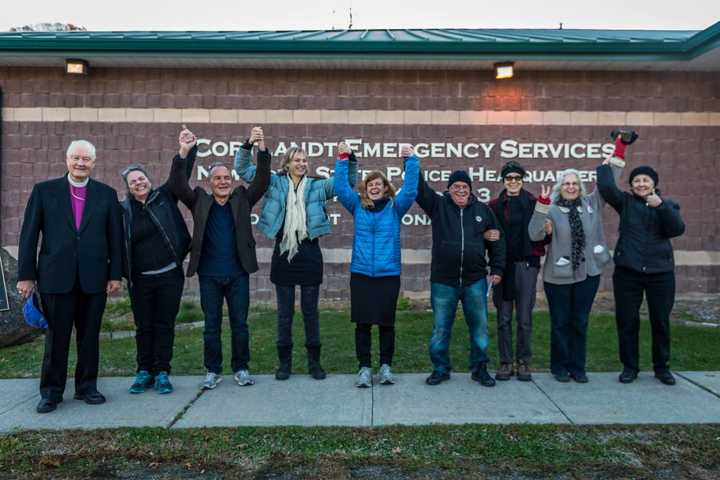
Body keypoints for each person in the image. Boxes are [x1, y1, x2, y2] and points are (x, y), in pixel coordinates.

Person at [235, 138, 357, 381]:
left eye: (305, 160)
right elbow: (244, 170)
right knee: (284, 313)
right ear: (287, 163)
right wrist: (248, 145)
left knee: (311, 312)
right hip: (283, 252)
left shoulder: (317, 186)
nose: (302, 164)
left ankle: (314, 364)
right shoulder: (273, 182)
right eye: (297, 160)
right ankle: (285, 365)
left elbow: (347, 183)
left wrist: (349, 159)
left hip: (310, 252)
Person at [17, 140, 123, 413]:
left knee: (89, 337)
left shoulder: (106, 195)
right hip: (55, 277)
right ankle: (51, 392)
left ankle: (87, 387)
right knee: (57, 338)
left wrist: (115, 274)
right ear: (66, 160)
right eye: (76, 158)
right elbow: (29, 236)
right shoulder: (44, 191)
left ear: (94, 163)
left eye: (86, 159)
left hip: (94, 278)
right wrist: (26, 276)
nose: (80, 163)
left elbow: (116, 239)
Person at [169, 126, 271, 390]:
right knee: (211, 326)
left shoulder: (242, 199)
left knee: (240, 324)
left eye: (227, 177)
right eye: (218, 178)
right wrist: (183, 150)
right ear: (210, 182)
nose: (224, 181)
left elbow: (261, 179)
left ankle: (241, 368)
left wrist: (258, 146)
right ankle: (212, 371)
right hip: (209, 275)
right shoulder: (199, 200)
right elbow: (178, 184)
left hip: (238, 273)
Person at [528, 139, 625, 383]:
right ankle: (559, 367)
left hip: (588, 274)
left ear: (580, 187)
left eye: (575, 183)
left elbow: (608, 182)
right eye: (567, 184)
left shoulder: (591, 203)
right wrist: (541, 206)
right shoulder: (550, 208)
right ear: (560, 186)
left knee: (580, 322)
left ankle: (578, 367)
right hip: (557, 277)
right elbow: (534, 234)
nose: (571, 187)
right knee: (560, 322)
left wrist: (620, 147)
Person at [596, 138, 685, 386]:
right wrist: (607, 164)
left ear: (654, 184)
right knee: (627, 321)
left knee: (660, 321)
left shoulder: (669, 205)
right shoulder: (625, 203)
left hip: (661, 273)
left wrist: (662, 207)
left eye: (646, 180)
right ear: (632, 186)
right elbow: (605, 186)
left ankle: (661, 368)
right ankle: (630, 367)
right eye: (637, 181)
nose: (641, 184)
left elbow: (676, 230)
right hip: (628, 272)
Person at [119, 127, 197, 395]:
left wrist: (186, 150)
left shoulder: (164, 196)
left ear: (148, 180)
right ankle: (144, 372)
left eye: (141, 178)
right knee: (144, 327)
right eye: (133, 182)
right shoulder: (123, 211)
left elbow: (180, 174)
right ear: (128, 189)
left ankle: (162, 371)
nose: (139, 183)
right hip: (140, 281)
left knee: (165, 325)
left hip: (168, 276)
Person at [334, 143, 419, 387]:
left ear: (385, 189)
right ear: (365, 189)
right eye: (370, 185)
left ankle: (385, 367)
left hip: (387, 274)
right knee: (362, 324)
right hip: (361, 274)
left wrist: (411, 160)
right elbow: (341, 188)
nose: (374, 187)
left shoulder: (395, 207)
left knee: (386, 323)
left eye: (378, 185)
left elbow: (411, 190)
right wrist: (342, 158)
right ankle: (363, 368)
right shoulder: (357, 206)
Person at [416, 168, 506, 386]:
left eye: (465, 187)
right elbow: (420, 190)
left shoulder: (483, 211)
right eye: (456, 186)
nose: (461, 190)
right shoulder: (438, 206)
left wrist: (497, 269)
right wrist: (411, 161)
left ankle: (480, 368)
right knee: (440, 328)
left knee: (480, 328)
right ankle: (440, 368)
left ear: (470, 190)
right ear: (448, 189)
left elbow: (497, 240)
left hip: (474, 280)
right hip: (443, 281)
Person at [488, 161, 547, 382]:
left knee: (524, 317)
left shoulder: (534, 203)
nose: (513, 182)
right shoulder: (494, 205)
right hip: (502, 266)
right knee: (503, 318)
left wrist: (548, 230)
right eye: (509, 178)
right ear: (503, 181)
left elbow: (541, 235)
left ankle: (523, 361)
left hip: (526, 265)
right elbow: (487, 232)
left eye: (517, 178)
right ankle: (505, 362)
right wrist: (486, 237)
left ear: (522, 180)